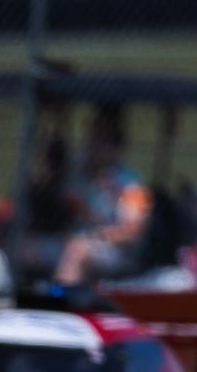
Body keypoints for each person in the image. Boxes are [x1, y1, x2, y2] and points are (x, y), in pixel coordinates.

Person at [53, 103, 153, 287]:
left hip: (116, 252)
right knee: (28, 248)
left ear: (115, 146)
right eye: (94, 138)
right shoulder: (81, 177)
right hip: (74, 240)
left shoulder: (129, 184)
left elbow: (132, 232)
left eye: (103, 140)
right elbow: (68, 209)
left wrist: (97, 236)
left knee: (77, 251)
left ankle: (58, 306)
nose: (95, 145)